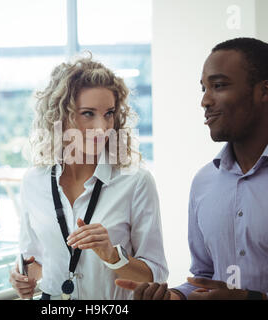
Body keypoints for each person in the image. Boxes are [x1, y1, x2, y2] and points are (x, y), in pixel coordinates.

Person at [116, 37, 268, 300]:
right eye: (204, 89)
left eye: (219, 86)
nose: (205, 101)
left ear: (264, 91)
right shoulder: (204, 182)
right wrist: (175, 296)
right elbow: (204, 277)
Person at [9, 55, 168, 300]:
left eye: (109, 113)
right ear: (60, 117)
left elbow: (155, 275)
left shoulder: (136, 182)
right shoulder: (34, 181)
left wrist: (112, 256)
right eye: (88, 113)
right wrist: (23, 277)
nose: (102, 127)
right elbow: (36, 262)